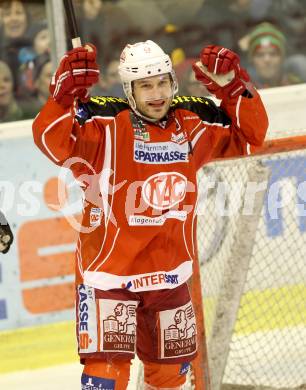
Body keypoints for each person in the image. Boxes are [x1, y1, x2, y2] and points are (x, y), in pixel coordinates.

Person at [32, 41, 268, 389]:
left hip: (169, 276)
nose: (156, 94)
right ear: (129, 89)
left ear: (173, 81)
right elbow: (52, 143)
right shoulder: (103, 123)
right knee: (107, 378)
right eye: (145, 85)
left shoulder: (192, 121)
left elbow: (251, 136)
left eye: (161, 82)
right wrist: (63, 98)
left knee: (170, 379)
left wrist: (235, 87)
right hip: (108, 277)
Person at [246, 22, 304, 88]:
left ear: (282, 58)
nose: (267, 60)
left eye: (273, 54)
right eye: (260, 55)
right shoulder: (243, 91)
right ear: (252, 59)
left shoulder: (298, 85)